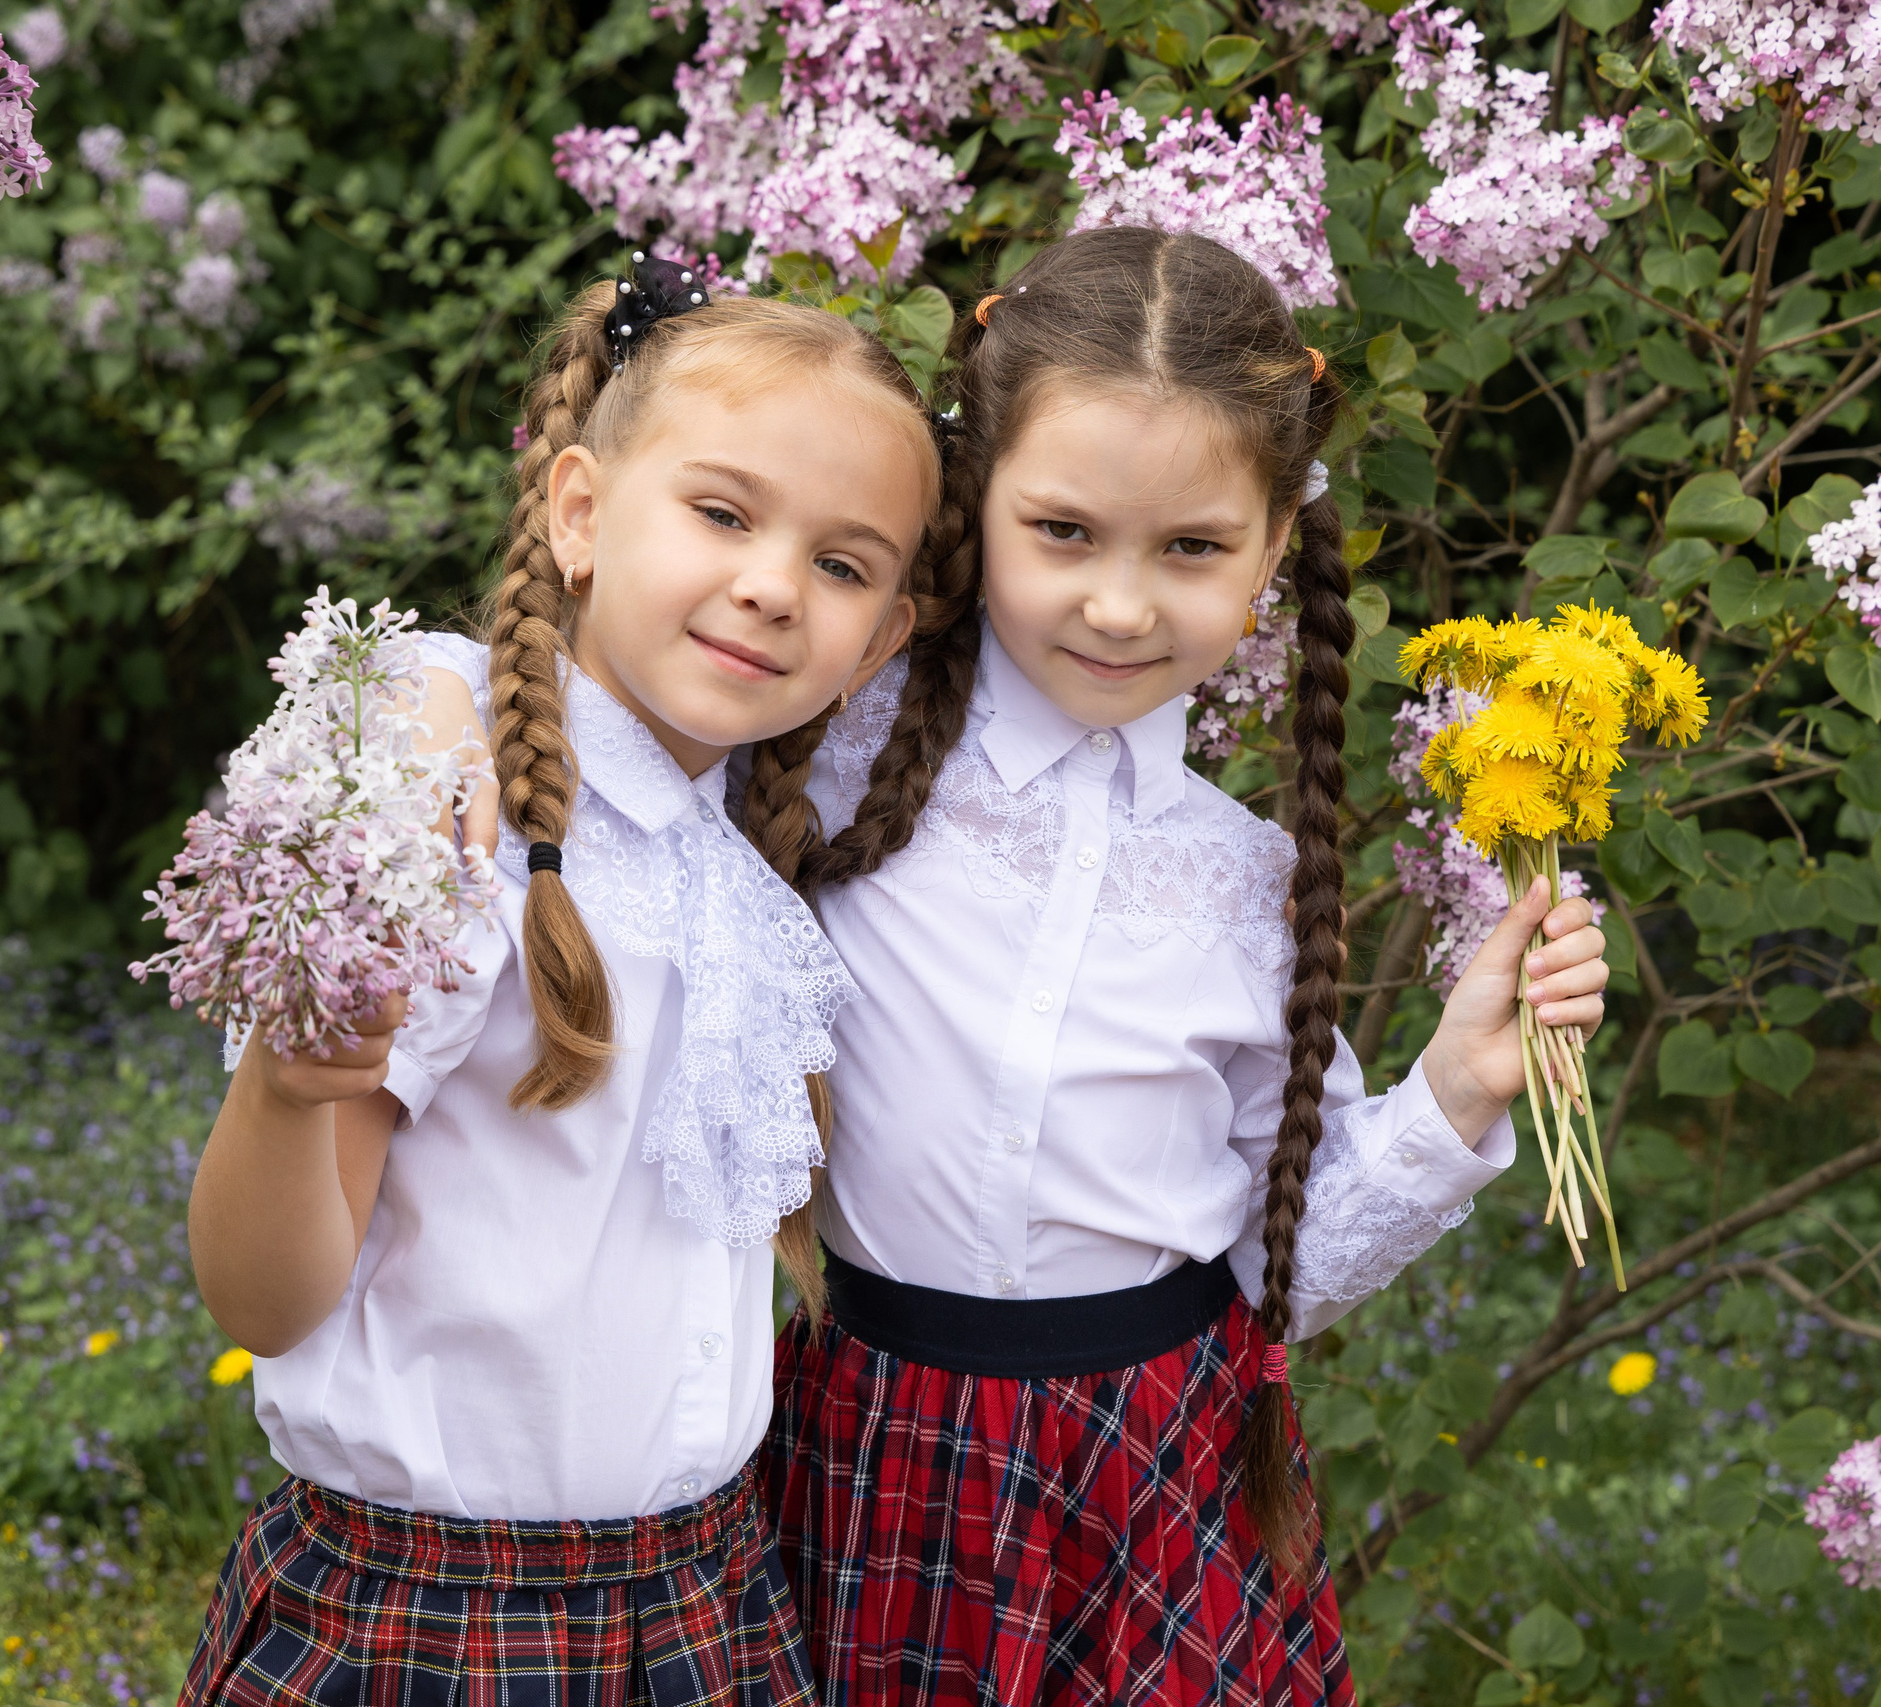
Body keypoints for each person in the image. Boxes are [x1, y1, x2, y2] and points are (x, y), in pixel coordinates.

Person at [740, 227, 1614, 1706]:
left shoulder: (1246, 886)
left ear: (1275, 547)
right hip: (873, 1439)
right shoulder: (832, 756)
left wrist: (1460, 1084)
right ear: (980, 500)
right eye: (1063, 531)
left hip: (1161, 1472)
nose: (1124, 605)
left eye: (1193, 548)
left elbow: (1286, 1273)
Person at [178, 256, 940, 1707]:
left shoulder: (754, 868)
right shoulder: (453, 817)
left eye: (844, 565)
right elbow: (263, 1300)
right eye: (720, 513)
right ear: (580, 511)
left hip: (707, 1604)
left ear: (883, 639)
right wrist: (290, 1086)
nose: (773, 585)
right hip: (429, 1622)